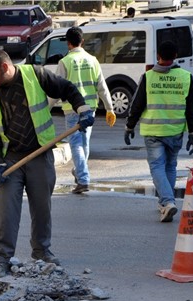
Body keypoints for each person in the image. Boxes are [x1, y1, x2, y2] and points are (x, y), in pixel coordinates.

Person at [0, 50, 95, 278]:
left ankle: (42, 251)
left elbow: (67, 88)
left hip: (40, 153)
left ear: (4, 67)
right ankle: (0, 258)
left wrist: (82, 109)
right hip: (10, 158)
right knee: (6, 211)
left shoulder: (36, 75)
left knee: (42, 207)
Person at [124, 40, 193, 222]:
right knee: (170, 165)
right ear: (176, 57)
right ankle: (165, 203)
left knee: (157, 167)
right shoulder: (186, 77)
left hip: (153, 131)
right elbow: (192, 109)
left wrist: (129, 126)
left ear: (158, 56)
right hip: (175, 131)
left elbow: (137, 104)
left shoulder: (148, 77)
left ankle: (167, 202)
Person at [55, 27, 116, 194]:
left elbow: (56, 89)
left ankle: (83, 179)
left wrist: (46, 108)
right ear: (82, 41)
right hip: (90, 109)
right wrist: (110, 108)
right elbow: (102, 87)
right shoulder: (93, 60)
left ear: (68, 44)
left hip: (71, 110)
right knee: (84, 143)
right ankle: (79, 171)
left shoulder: (65, 62)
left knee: (76, 144)